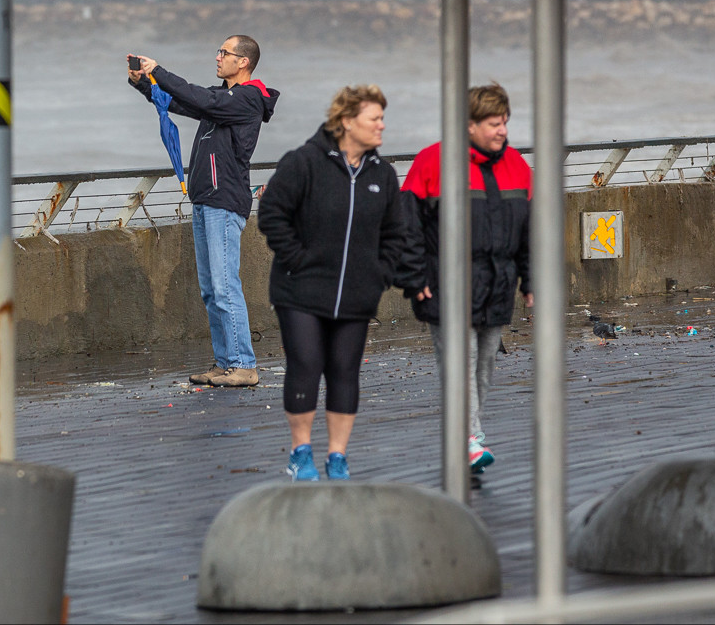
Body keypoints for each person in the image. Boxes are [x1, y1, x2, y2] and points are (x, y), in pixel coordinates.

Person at [256, 84, 420, 481]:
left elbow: (396, 233)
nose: (382, 126)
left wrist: (378, 274)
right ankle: (300, 452)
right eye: (374, 118)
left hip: (356, 295)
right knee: (307, 364)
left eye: (382, 118)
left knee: (345, 371)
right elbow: (272, 214)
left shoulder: (382, 174)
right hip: (301, 291)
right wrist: (298, 260)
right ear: (347, 122)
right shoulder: (303, 162)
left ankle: (338, 456)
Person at [127, 36, 281, 387]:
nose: (218, 57)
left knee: (226, 286)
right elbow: (181, 102)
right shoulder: (223, 100)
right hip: (205, 199)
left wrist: (159, 70)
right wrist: (143, 83)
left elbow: (202, 97)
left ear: (243, 62)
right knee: (212, 289)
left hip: (224, 200)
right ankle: (226, 362)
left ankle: (244, 365)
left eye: (224, 53)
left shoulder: (248, 97)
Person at [400, 82, 533, 474]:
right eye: (494, 123)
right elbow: (406, 228)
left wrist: (532, 282)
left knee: (484, 365)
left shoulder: (518, 167)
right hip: (445, 282)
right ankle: (469, 439)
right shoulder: (431, 162)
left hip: (496, 285)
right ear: (470, 125)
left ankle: (467, 436)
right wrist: (414, 276)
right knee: (461, 362)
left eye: (505, 122)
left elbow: (530, 232)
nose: (502, 131)